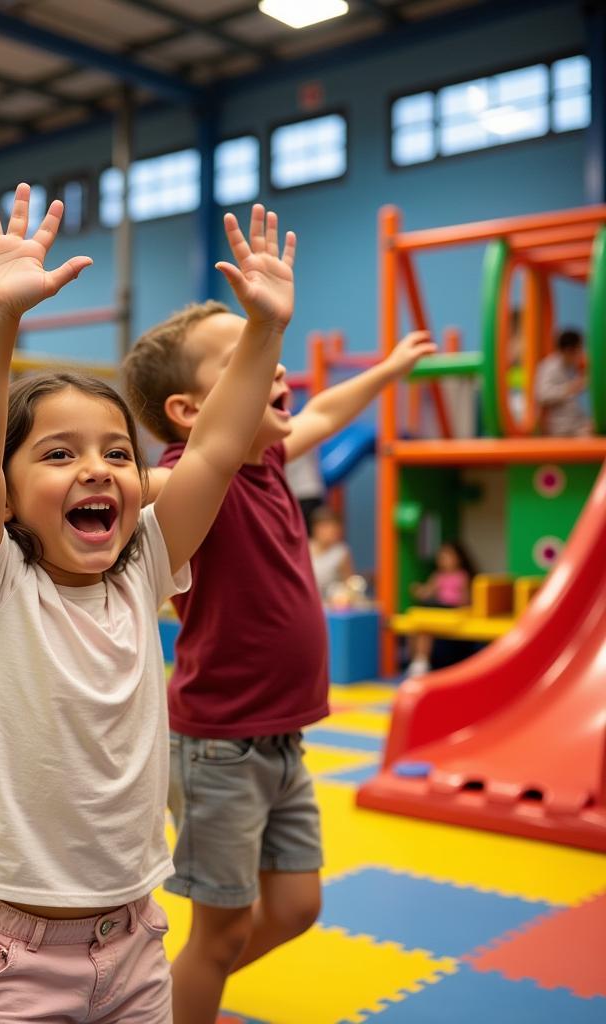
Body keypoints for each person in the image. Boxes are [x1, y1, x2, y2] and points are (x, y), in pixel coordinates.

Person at [0, 183, 296, 1023]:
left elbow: (217, 449)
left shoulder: (143, 567)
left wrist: (265, 329)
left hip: (135, 939)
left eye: (118, 450)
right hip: (14, 955)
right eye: (58, 453)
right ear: (6, 495)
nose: (99, 468)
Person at [122, 311, 434, 1024]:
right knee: (219, 932)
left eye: (274, 352)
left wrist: (388, 370)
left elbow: (325, 407)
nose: (281, 368)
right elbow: (143, 485)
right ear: (191, 411)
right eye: (248, 356)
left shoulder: (265, 461)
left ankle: (169, 997)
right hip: (218, 746)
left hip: (283, 739)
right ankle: (175, 1003)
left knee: (297, 906)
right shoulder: (196, 476)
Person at [405, 539, 475, 677]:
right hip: (439, 609)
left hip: (452, 610)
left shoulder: (461, 576)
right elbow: (427, 592)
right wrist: (418, 591)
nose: (444, 560)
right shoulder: (438, 576)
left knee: (426, 617)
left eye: (448, 556)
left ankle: (421, 661)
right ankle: (419, 660)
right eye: (442, 557)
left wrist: (463, 606)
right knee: (420, 622)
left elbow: (466, 599)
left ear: (458, 559)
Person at [534, 328, 592, 437]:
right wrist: (571, 387)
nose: (581, 353)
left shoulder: (570, 367)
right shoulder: (549, 366)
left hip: (575, 423)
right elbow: (542, 394)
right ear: (569, 350)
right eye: (580, 348)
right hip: (559, 428)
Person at [308, 504, 353, 599]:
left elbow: (349, 583)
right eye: (325, 527)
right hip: (308, 600)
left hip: (331, 604)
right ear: (316, 528)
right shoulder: (305, 547)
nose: (330, 531)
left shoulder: (341, 552)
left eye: (334, 527)